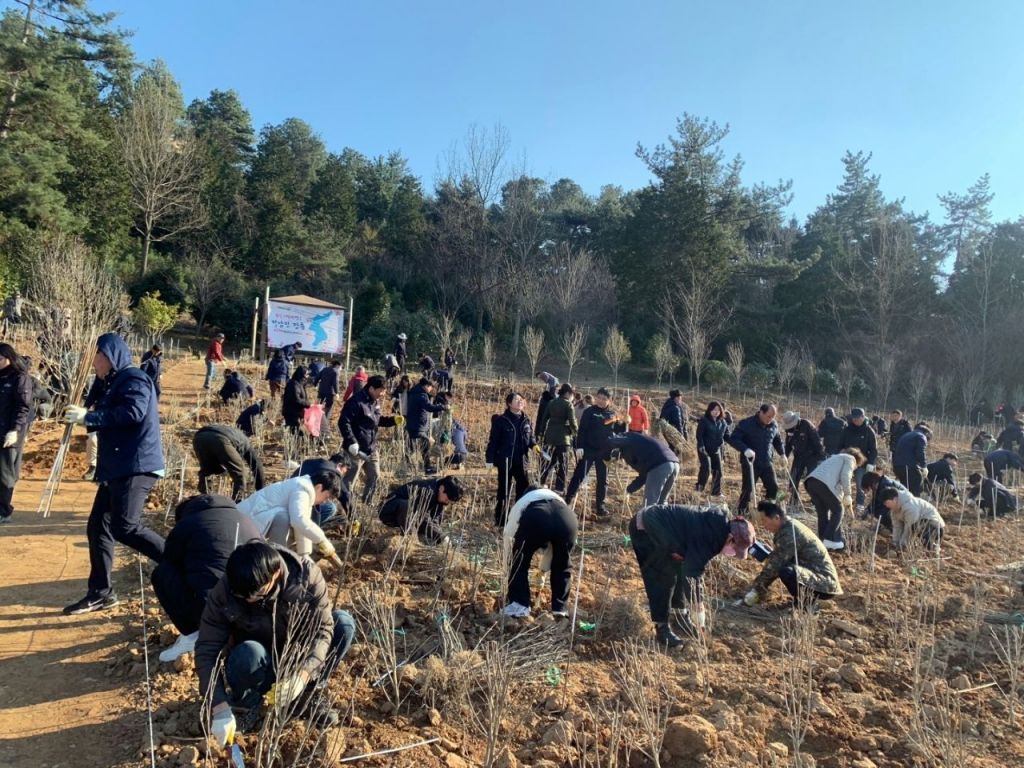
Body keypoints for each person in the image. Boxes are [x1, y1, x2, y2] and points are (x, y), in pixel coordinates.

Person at [195, 541, 357, 743]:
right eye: (243, 596)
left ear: (276, 573)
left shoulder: (307, 578)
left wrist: (303, 676)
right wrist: (219, 707)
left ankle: (307, 694)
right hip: (256, 660)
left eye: (257, 593)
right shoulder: (227, 589)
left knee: (343, 624)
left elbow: (323, 631)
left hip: (298, 656)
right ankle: (247, 703)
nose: (250, 600)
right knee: (248, 653)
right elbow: (207, 650)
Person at [62, 333, 165, 615]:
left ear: (109, 356)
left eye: (96, 356)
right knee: (98, 527)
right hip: (117, 466)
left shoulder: (134, 379)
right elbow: (101, 408)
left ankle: (179, 562)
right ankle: (101, 593)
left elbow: (133, 412)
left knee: (125, 527)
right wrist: (83, 411)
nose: (92, 362)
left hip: (136, 465)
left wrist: (88, 417)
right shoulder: (111, 382)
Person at [153, 494, 261, 663]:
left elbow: (169, 560)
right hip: (254, 612)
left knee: (162, 573)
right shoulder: (246, 520)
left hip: (213, 610)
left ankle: (194, 635)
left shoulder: (187, 523)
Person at [629, 504, 754, 648]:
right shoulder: (711, 536)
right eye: (734, 549)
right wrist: (698, 605)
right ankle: (662, 628)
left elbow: (690, 569)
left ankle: (680, 616)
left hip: (668, 533)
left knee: (678, 570)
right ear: (731, 538)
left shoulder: (719, 532)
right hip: (646, 528)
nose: (732, 554)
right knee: (662, 577)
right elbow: (693, 572)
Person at [743, 501, 842, 609]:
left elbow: (775, 565)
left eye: (764, 520)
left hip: (824, 584)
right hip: (817, 578)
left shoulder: (790, 533)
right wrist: (773, 554)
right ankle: (802, 600)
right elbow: (782, 557)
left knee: (787, 572)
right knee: (784, 567)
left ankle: (806, 604)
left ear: (776, 518)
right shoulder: (788, 526)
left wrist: (756, 588)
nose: (763, 525)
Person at [502, 487, 578, 618]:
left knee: (519, 561)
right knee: (562, 564)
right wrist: (542, 571)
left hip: (536, 519)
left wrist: (507, 568)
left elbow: (508, 537)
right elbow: (554, 551)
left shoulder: (522, 503)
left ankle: (519, 605)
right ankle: (560, 608)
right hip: (568, 520)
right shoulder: (557, 499)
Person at [237, 471, 342, 558]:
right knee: (283, 517)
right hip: (243, 522)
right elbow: (298, 520)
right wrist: (322, 540)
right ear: (319, 487)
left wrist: (304, 555)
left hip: (251, 519)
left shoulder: (305, 490)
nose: (324, 502)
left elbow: (302, 524)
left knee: (289, 520)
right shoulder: (302, 490)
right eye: (326, 497)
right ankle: (277, 557)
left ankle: (279, 556)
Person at [339, 374, 403, 503]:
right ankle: (345, 506)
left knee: (375, 476)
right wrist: (351, 441)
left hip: (371, 448)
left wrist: (392, 420)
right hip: (355, 450)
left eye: (384, 391)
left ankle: (367, 502)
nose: (383, 394)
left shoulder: (375, 402)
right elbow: (343, 422)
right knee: (350, 480)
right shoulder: (355, 402)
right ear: (372, 388)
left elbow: (376, 420)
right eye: (381, 391)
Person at [565, 388, 626, 517]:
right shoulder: (589, 412)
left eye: (604, 399)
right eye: (599, 397)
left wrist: (624, 423)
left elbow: (620, 432)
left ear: (610, 400)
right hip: (588, 450)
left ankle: (600, 507)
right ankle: (567, 500)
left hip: (604, 452)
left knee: (603, 479)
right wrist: (580, 446)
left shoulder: (612, 414)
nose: (601, 401)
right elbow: (582, 430)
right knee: (579, 475)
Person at [486, 392, 541, 527]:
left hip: (521, 462)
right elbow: (493, 441)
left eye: (521, 399)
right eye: (516, 400)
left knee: (523, 490)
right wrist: (489, 459)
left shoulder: (526, 420)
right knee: (504, 491)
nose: (520, 401)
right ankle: (501, 520)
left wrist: (534, 445)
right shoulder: (501, 421)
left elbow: (531, 438)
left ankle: (519, 518)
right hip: (505, 461)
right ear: (509, 403)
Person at [803, 448, 866, 551]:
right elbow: (845, 476)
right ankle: (829, 539)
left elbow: (836, 481)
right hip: (823, 484)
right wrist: (848, 494)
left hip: (811, 483)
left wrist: (842, 497)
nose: (856, 468)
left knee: (823, 513)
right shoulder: (850, 459)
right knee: (838, 510)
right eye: (857, 466)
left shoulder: (835, 458)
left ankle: (822, 540)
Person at [727, 404, 785, 515]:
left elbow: (777, 440)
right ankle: (742, 514)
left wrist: (782, 454)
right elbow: (733, 439)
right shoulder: (747, 424)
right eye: (768, 416)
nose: (770, 419)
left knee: (773, 488)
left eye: (773, 417)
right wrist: (745, 449)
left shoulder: (773, 425)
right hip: (751, 463)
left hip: (767, 462)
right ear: (761, 412)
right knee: (747, 490)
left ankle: (767, 512)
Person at [378, 475, 463, 544]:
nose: (448, 502)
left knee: (430, 529)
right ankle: (410, 539)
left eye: (451, 501)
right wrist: (440, 536)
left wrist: (440, 536)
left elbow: (434, 520)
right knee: (406, 505)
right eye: (448, 498)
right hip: (388, 511)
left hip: (407, 515)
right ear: (442, 488)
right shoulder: (427, 491)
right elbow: (424, 518)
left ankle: (413, 534)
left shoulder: (439, 498)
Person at [193, 424, 267, 501]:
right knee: (240, 473)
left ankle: (205, 500)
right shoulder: (247, 445)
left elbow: (218, 467)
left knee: (207, 471)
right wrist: (261, 490)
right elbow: (257, 465)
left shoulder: (235, 436)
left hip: (199, 437)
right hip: (220, 438)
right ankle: (238, 503)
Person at [0, 344, 31, 523]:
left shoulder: (20, 377)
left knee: (5, 474)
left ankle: (4, 511)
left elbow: (23, 407)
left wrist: (15, 430)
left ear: (8, 358)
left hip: (10, 432)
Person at [609, 431, 680, 508]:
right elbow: (643, 477)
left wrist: (605, 447)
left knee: (649, 505)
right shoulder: (640, 444)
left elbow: (610, 441)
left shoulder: (629, 440)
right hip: (675, 464)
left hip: (660, 465)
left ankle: (648, 516)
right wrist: (628, 490)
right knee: (662, 503)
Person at [879, 487, 945, 553]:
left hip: (935, 526)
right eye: (884, 504)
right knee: (914, 527)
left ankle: (933, 548)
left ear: (895, 499)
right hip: (920, 524)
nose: (886, 506)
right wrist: (896, 543)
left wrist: (902, 545)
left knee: (915, 527)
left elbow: (909, 528)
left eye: (887, 503)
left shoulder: (910, 507)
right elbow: (897, 527)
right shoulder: (893, 511)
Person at [538, 383, 577, 493]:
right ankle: (559, 488)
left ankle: (541, 483)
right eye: (572, 394)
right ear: (568, 393)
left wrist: (541, 433)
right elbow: (572, 422)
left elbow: (544, 419)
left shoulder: (551, 402)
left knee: (547, 462)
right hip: (563, 438)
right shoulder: (568, 404)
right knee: (563, 464)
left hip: (549, 436)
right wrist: (575, 432)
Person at [292, 454, 352, 526]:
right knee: (330, 507)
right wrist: (352, 517)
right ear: (339, 465)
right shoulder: (331, 472)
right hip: (301, 504)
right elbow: (345, 495)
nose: (342, 475)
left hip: (290, 495)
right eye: (344, 472)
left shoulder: (309, 462)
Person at [838, 408, 878, 509]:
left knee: (860, 484)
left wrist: (871, 463)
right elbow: (840, 445)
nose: (855, 420)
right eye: (854, 418)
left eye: (858, 418)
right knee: (842, 481)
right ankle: (841, 501)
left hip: (862, 463)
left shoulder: (869, 431)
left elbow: (873, 449)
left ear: (863, 417)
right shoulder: (847, 430)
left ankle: (860, 504)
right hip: (846, 461)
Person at [406, 377, 446, 474]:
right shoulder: (421, 395)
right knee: (425, 446)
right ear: (426, 386)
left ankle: (407, 466)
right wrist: (442, 407)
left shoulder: (414, 393)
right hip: (418, 425)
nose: (431, 389)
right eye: (431, 387)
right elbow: (429, 407)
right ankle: (427, 467)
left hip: (414, 424)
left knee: (413, 447)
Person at [781, 411, 825, 500]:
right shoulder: (789, 430)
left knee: (812, 479)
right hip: (798, 456)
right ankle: (793, 499)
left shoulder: (806, 424)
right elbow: (788, 445)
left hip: (812, 456)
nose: (791, 427)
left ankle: (816, 500)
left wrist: (821, 456)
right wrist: (784, 456)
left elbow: (817, 441)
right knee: (793, 478)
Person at [695, 401, 727, 496]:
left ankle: (716, 492)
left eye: (718, 410)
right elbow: (699, 435)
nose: (716, 412)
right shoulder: (704, 420)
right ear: (709, 410)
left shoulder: (722, 422)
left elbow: (727, 435)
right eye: (714, 409)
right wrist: (701, 446)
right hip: (704, 449)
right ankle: (699, 488)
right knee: (706, 469)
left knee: (718, 471)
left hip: (716, 449)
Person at [892, 422, 931, 497]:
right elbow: (920, 452)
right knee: (915, 490)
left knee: (905, 490)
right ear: (926, 433)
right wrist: (924, 466)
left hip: (898, 466)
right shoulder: (921, 436)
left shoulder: (907, 435)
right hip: (909, 467)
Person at [281, 366, 310, 433]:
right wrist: (308, 404)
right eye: (306, 374)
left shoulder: (300, 384)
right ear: (301, 374)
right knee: (294, 431)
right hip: (291, 412)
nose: (307, 376)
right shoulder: (294, 384)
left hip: (297, 412)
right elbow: (296, 400)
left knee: (297, 431)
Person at [317, 360, 341, 426]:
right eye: (340, 366)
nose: (340, 368)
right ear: (337, 365)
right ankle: (325, 421)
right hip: (330, 392)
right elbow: (335, 383)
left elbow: (318, 376)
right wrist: (337, 393)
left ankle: (318, 417)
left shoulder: (324, 369)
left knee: (320, 405)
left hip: (321, 390)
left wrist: (315, 383)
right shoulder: (335, 371)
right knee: (329, 407)